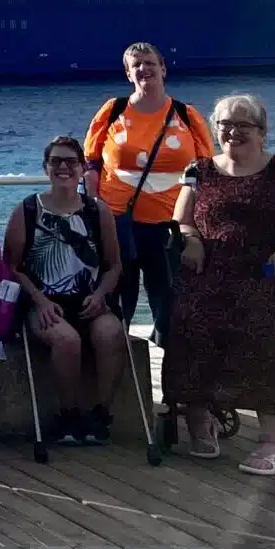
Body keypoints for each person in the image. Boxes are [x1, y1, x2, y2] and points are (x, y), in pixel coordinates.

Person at [166, 94, 275, 477]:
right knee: (188, 324)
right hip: (210, 277)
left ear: (262, 132)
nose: (233, 131)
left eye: (244, 124)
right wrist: (191, 239)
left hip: (273, 277)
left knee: (268, 328)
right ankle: (200, 419)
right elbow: (182, 222)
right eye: (225, 124)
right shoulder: (198, 171)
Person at [85, 42, 216, 346]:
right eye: (137, 65)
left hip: (170, 226)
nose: (144, 69)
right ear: (128, 74)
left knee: (172, 306)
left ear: (163, 69)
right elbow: (90, 164)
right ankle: (118, 379)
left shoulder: (186, 114)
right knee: (117, 305)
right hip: (118, 224)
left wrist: (199, 226)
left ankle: (175, 383)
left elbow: (206, 171)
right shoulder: (112, 110)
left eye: (150, 63)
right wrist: (93, 214)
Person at [3, 136, 126, 445]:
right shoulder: (27, 210)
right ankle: (68, 414)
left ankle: (100, 414)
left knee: (110, 334)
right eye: (55, 161)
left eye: (71, 161)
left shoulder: (98, 212)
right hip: (43, 302)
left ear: (83, 168)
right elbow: (11, 267)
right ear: (46, 168)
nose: (63, 167)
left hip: (90, 301)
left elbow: (114, 266)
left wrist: (100, 297)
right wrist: (40, 300)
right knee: (66, 340)